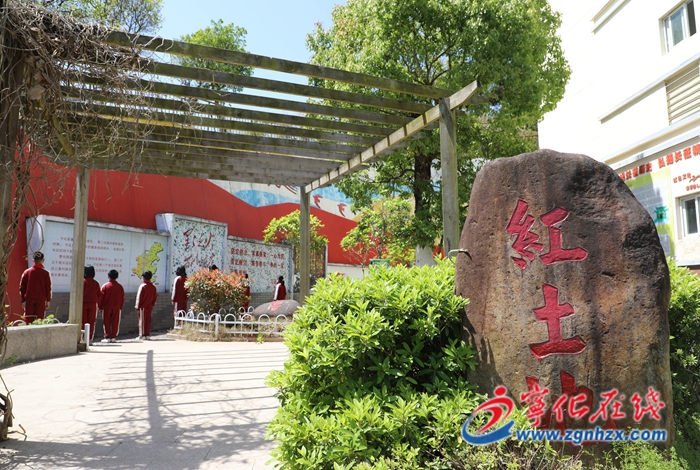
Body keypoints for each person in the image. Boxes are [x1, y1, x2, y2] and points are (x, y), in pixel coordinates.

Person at [19, 251, 52, 323]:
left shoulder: (27, 272)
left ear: (33, 260)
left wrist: (23, 300)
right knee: (39, 321)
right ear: (43, 260)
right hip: (41, 300)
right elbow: (48, 288)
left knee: (28, 320)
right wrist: (48, 300)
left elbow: (22, 287)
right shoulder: (46, 273)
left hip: (29, 299)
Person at [99, 270, 125, 343]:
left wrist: (100, 307)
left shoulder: (105, 286)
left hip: (106, 307)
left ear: (108, 276)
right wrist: (120, 307)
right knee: (115, 322)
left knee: (106, 322)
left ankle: (107, 336)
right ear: (117, 277)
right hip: (117, 307)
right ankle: (113, 336)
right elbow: (122, 298)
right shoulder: (120, 287)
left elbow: (101, 298)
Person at [136, 271, 157, 340]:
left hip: (143, 307)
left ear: (144, 278)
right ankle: (147, 334)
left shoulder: (142, 286)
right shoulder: (153, 287)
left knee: (142, 321)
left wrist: (137, 307)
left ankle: (142, 335)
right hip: (150, 306)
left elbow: (139, 297)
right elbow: (155, 297)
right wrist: (152, 304)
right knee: (148, 321)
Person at [82, 265, 101, 342]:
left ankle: (83, 338)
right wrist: (99, 305)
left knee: (83, 321)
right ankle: (89, 339)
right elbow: (99, 295)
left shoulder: (82, 281)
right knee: (91, 322)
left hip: (83, 304)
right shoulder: (96, 283)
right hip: (93, 304)